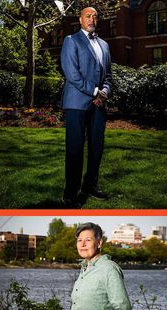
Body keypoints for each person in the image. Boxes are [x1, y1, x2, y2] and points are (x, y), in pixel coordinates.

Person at [60, 7, 112, 208]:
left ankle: (90, 185)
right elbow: (71, 74)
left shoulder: (104, 45)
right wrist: (95, 91)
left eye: (95, 16)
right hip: (76, 104)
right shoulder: (71, 41)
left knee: (96, 148)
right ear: (80, 19)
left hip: (99, 105)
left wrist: (104, 92)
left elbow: (108, 75)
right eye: (88, 16)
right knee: (74, 149)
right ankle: (70, 194)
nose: (92, 19)